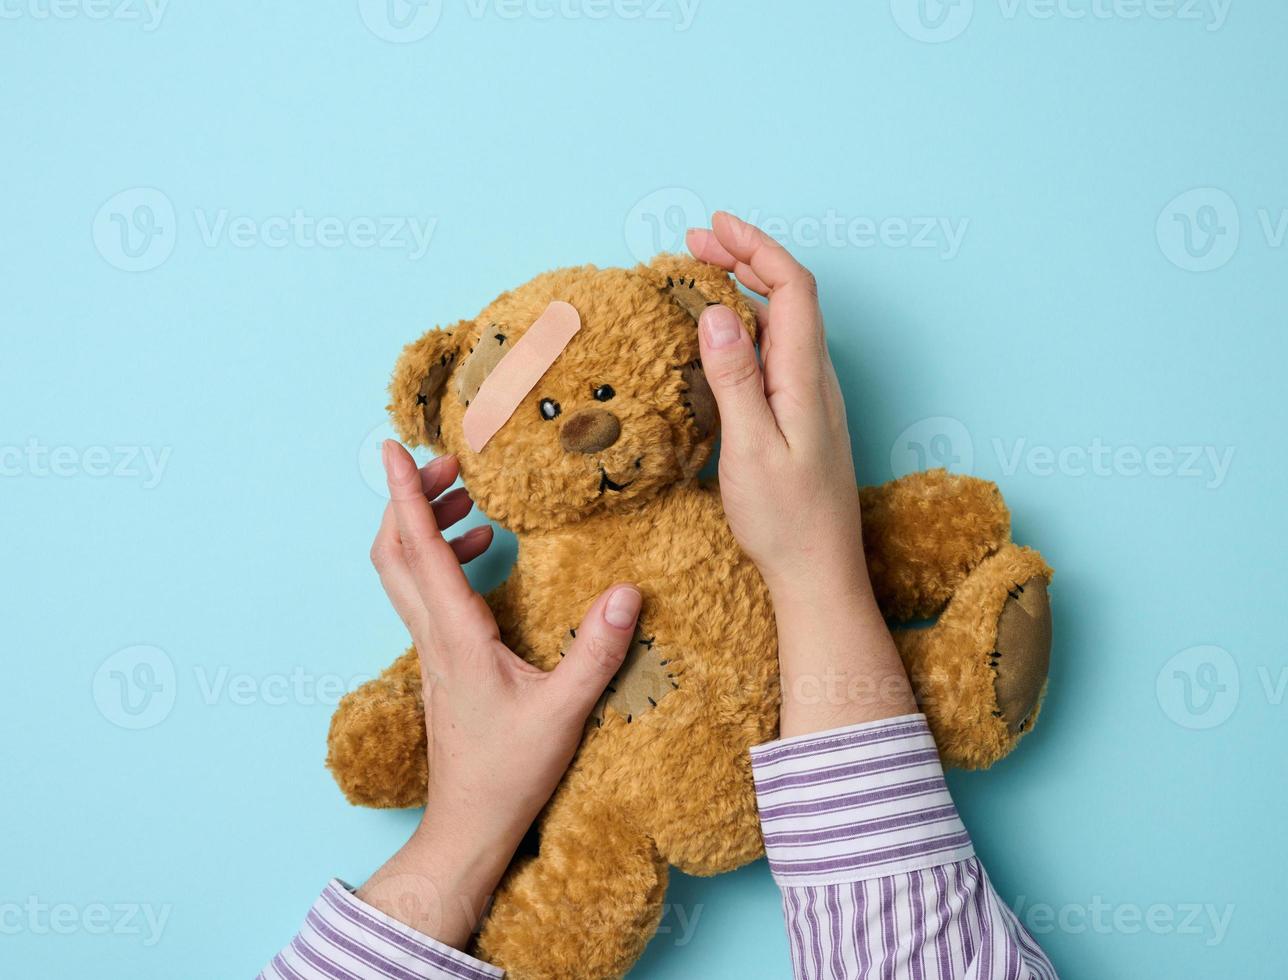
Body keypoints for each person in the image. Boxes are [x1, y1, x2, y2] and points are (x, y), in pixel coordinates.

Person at [259, 213, 1057, 980]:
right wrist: (819, 567)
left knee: (899, 621)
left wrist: (462, 829)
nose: (585, 429)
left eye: (605, 392)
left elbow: (900, 537)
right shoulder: (520, 605)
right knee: (589, 876)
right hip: (633, 810)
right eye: (546, 412)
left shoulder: (723, 517)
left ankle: (969, 685)